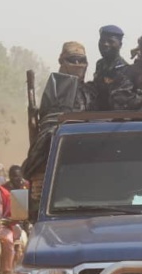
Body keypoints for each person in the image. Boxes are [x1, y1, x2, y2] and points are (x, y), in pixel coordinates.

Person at [22, 42, 97, 220]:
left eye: (82, 60)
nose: (78, 64)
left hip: (92, 157)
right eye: (73, 60)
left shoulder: (91, 90)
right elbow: (51, 118)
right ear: (62, 61)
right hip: (58, 149)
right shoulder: (57, 88)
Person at [93, 25, 129, 111]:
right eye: (102, 41)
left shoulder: (125, 69)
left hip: (114, 117)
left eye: (110, 41)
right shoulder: (100, 64)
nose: (105, 44)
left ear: (120, 45)